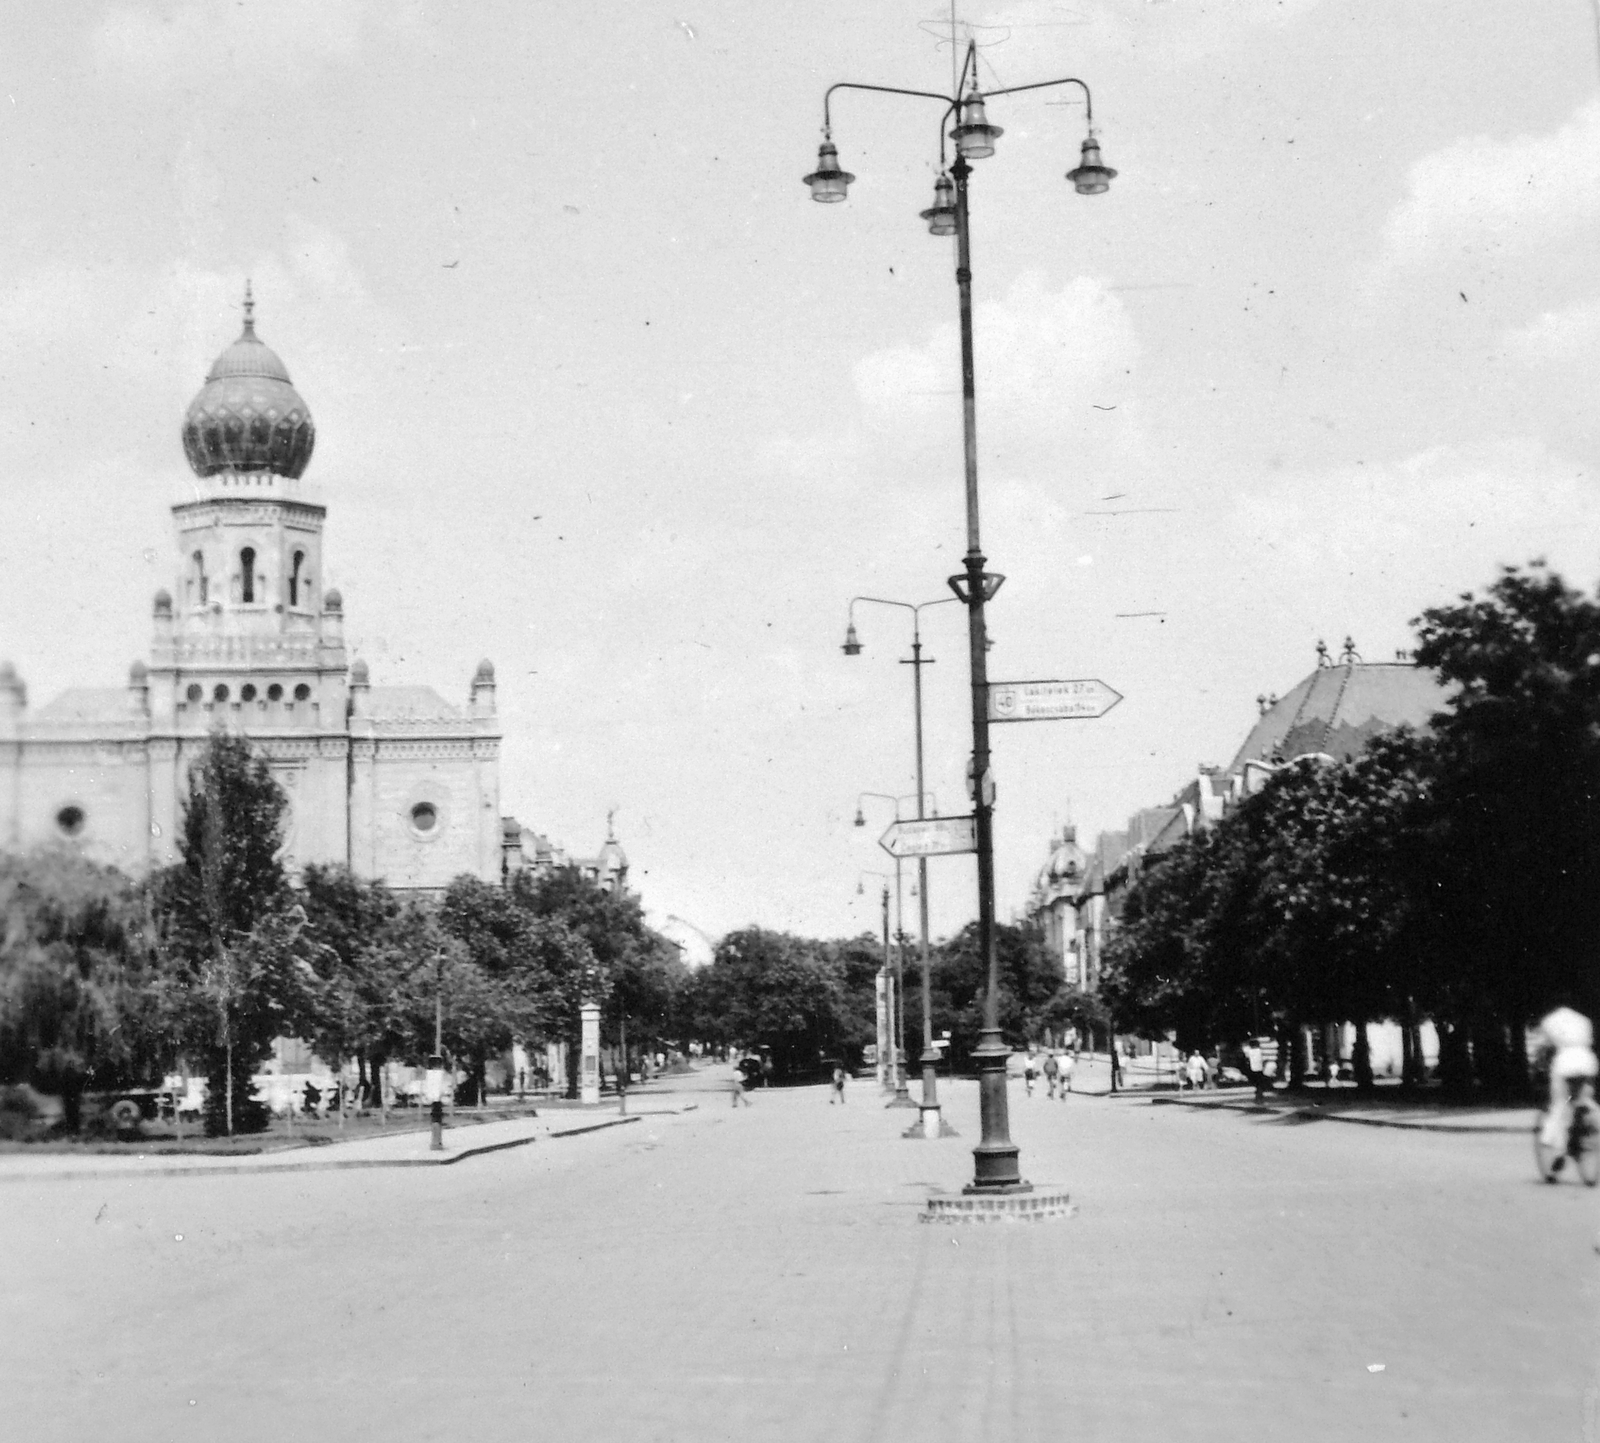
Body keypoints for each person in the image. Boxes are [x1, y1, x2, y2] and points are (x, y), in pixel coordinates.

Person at [1535, 1007, 1598, 1160]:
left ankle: (1558, 1151)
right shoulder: (1583, 1020)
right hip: (1587, 1061)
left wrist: (1540, 1066)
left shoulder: (1548, 1021)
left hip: (1565, 1064)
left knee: (1560, 1104)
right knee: (1585, 1098)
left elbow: (1543, 1047)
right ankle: (1589, 1118)